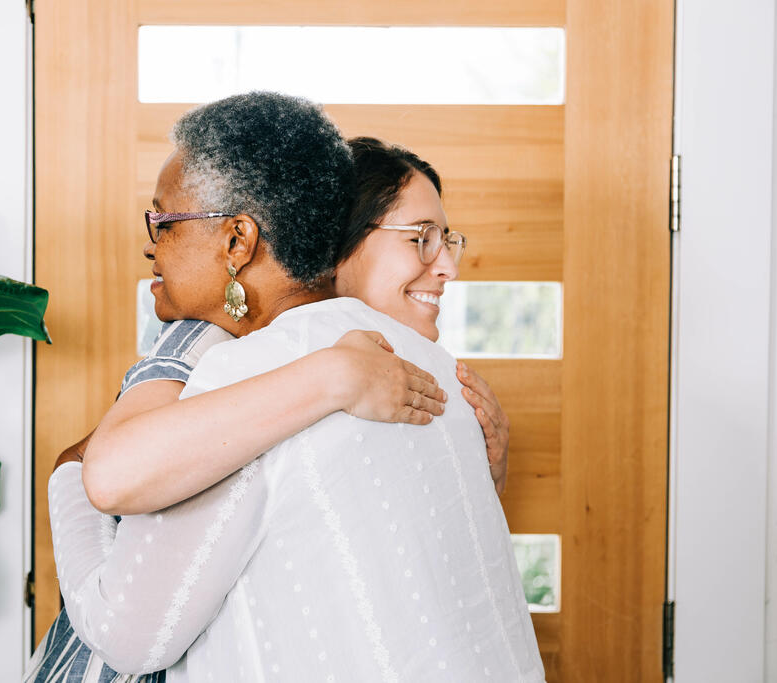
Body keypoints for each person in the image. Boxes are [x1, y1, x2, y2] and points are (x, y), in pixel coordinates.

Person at [28, 92, 540, 682]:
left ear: (238, 241)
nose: (151, 242)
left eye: (164, 222)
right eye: (418, 238)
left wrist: (66, 475)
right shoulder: (438, 369)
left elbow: (129, 635)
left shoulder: (249, 375)